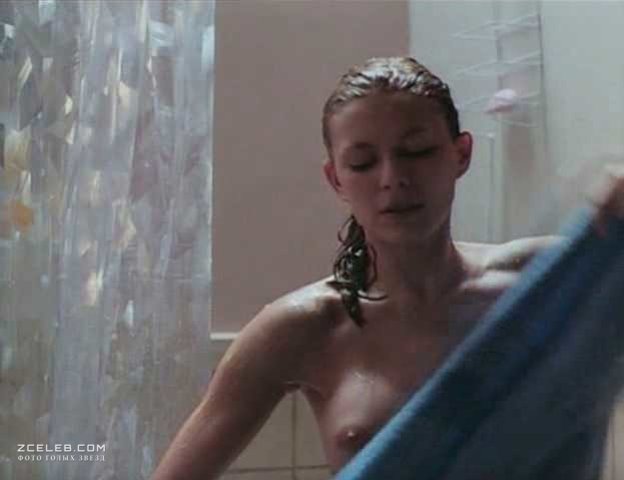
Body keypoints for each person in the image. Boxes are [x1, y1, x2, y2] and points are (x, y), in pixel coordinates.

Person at [151, 57, 624, 480]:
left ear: (461, 154)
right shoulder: (303, 329)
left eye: (417, 152)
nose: (393, 178)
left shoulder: (547, 286)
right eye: (362, 163)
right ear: (336, 179)